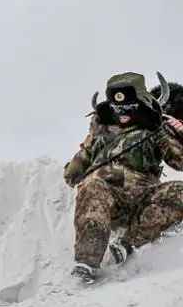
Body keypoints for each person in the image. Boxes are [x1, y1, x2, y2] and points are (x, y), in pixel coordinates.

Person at [63, 72, 183, 283]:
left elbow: (179, 161)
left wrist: (160, 132)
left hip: (144, 195)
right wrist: (93, 136)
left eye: (129, 108)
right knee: (92, 185)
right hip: (107, 196)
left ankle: (128, 244)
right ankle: (87, 261)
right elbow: (72, 174)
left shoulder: (155, 126)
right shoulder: (102, 131)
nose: (123, 114)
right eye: (118, 109)